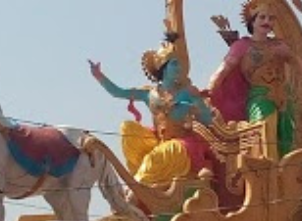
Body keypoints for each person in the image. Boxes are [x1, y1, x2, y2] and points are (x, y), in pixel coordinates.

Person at [89, 29, 215, 189]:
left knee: (158, 156)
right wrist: (99, 76)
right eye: (174, 63)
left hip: (182, 144)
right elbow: (118, 92)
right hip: (159, 141)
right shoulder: (149, 94)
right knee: (127, 128)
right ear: (164, 68)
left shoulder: (188, 92)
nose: (179, 67)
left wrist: (195, 107)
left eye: (178, 63)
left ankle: (138, 187)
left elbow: (207, 120)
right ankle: (142, 178)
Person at [206, 0, 297, 156]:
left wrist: (290, 57)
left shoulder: (279, 45)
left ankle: (285, 171)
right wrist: (209, 90)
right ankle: (266, 170)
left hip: (284, 97)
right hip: (260, 95)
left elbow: (300, 67)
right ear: (252, 21)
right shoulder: (242, 46)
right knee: (262, 129)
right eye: (262, 17)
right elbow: (223, 71)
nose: (267, 21)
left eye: (271, 18)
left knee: (287, 136)